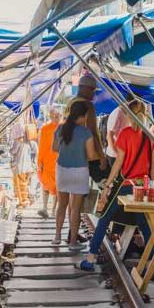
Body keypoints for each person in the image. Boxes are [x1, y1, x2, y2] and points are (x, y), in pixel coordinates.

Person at [78, 100, 154, 271]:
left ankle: (90, 259)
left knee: (104, 219)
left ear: (129, 114)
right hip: (143, 188)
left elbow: (118, 163)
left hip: (126, 186)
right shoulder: (150, 136)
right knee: (144, 224)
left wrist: (107, 186)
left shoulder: (125, 134)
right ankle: (152, 261)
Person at [53, 101, 96, 248]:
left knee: (62, 205)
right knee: (75, 209)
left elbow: (54, 148)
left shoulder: (60, 128)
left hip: (62, 170)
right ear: (83, 116)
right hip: (79, 172)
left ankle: (57, 237)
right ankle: (72, 242)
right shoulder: (86, 133)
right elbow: (90, 155)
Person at [64, 74, 108, 181]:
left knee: (77, 191)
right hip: (89, 156)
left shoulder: (70, 103)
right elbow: (91, 131)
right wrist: (102, 156)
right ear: (83, 88)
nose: (94, 93)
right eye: (92, 90)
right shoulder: (88, 105)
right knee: (108, 185)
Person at [37, 108, 61, 219]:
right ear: (50, 117)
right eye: (54, 116)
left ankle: (54, 210)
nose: (56, 118)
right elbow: (41, 146)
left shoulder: (63, 128)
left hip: (59, 161)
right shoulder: (45, 129)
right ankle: (45, 208)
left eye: (58, 116)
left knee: (57, 187)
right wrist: (39, 161)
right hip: (46, 161)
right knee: (45, 185)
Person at [106, 93, 134, 167]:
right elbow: (109, 136)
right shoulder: (117, 113)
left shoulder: (128, 113)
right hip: (114, 156)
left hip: (123, 154)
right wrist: (116, 154)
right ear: (129, 102)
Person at [11, 125, 35, 208]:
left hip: (19, 167)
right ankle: (27, 200)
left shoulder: (17, 142)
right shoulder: (29, 143)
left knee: (20, 186)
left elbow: (13, 151)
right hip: (28, 167)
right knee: (25, 185)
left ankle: (23, 202)